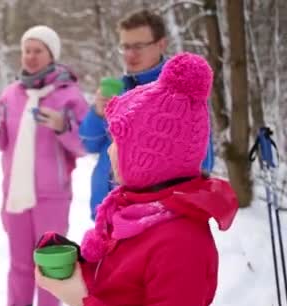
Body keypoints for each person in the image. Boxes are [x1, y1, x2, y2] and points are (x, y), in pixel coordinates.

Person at [35, 53, 239, 306]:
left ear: (152, 154)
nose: (109, 151)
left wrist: (80, 301)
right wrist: (78, 265)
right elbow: (121, 285)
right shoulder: (136, 212)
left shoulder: (180, 244)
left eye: (119, 141)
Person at [0, 25, 88, 306]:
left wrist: (62, 126)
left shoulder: (68, 96)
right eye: (26, 50)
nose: (29, 56)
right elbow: (5, 141)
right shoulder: (11, 94)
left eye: (37, 50)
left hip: (52, 195)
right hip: (15, 193)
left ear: (51, 54)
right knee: (19, 264)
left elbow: (84, 145)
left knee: (51, 264)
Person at [79, 9, 215, 220]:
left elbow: (198, 166)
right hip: (106, 216)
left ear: (161, 44)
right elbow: (88, 144)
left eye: (138, 46)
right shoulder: (119, 89)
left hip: (149, 221)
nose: (130, 54)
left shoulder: (180, 96)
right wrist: (98, 113)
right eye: (125, 46)